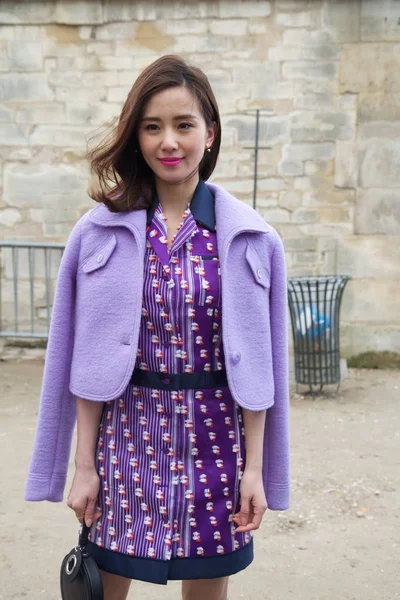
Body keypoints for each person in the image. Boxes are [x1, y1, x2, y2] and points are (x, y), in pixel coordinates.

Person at [25, 54, 290, 600]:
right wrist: (83, 465)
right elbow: (81, 359)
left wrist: (255, 470)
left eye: (184, 125)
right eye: (152, 127)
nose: (169, 141)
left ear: (210, 135)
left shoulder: (251, 239)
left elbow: (264, 371)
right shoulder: (97, 233)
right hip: (125, 441)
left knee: (206, 590)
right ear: (137, 137)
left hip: (218, 443)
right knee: (107, 586)